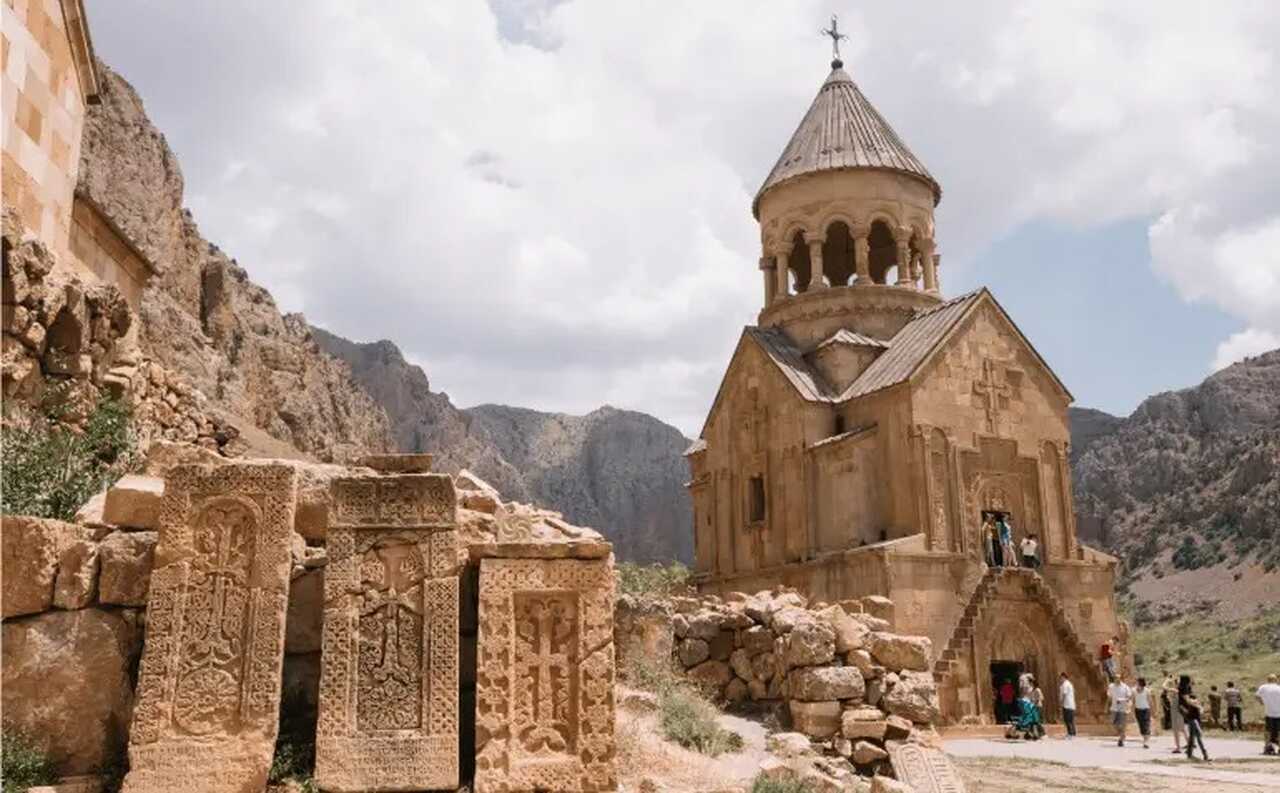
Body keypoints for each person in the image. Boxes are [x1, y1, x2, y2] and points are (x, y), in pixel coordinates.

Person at [1179, 675, 1210, 761]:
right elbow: (1188, 700)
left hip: (1189, 712)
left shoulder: (1183, 688)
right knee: (1198, 735)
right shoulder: (1185, 689)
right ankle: (1204, 754)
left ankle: (1190, 753)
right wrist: (1199, 706)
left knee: (1193, 735)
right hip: (1191, 713)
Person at [1255, 674, 1280, 755]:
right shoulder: (1279, 688)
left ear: (1268, 680)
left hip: (1269, 712)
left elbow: (1257, 696)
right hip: (1279, 713)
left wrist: (1262, 702)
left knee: (1268, 731)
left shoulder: (1263, 687)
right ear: (1276, 680)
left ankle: (1267, 747)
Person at [1163, 671, 1186, 753]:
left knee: (1176, 730)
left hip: (1175, 711)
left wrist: (1168, 679)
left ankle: (1178, 747)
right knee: (1183, 728)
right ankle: (1189, 744)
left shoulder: (1175, 691)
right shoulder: (1184, 691)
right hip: (1181, 712)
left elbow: (1164, 687)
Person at [1109, 674, 1133, 746]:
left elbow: (1129, 697)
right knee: (1113, 723)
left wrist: (1122, 700)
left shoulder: (1125, 687)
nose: (1117, 679)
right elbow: (1109, 695)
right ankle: (1121, 734)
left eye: (1118, 678)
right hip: (1114, 708)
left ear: (1121, 679)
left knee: (1122, 724)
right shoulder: (1111, 686)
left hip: (1123, 708)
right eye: (1116, 678)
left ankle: (1121, 739)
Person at [1134, 677, 1153, 748]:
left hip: (1145, 710)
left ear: (1140, 683)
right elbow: (1133, 700)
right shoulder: (1134, 690)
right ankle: (1146, 737)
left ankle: (1146, 742)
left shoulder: (1147, 691)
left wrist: (1153, 710)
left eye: (1137, 682)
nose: (1136, 683)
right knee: (1141, 726)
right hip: (1138, 710)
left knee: (1146, 725)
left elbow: (1150, 701)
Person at [1060, 672, 1077, 739]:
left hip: (1067, 704)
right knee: (1071, 720)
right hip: (1071, 704)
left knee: (1067, 720)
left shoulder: (1065, 684)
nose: (1060, 679)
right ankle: (1073, 733)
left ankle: (1070, 733)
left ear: (1064, 677)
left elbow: (1064, 694)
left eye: (1061, 678)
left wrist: (1061, 702)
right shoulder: (1069, 684)